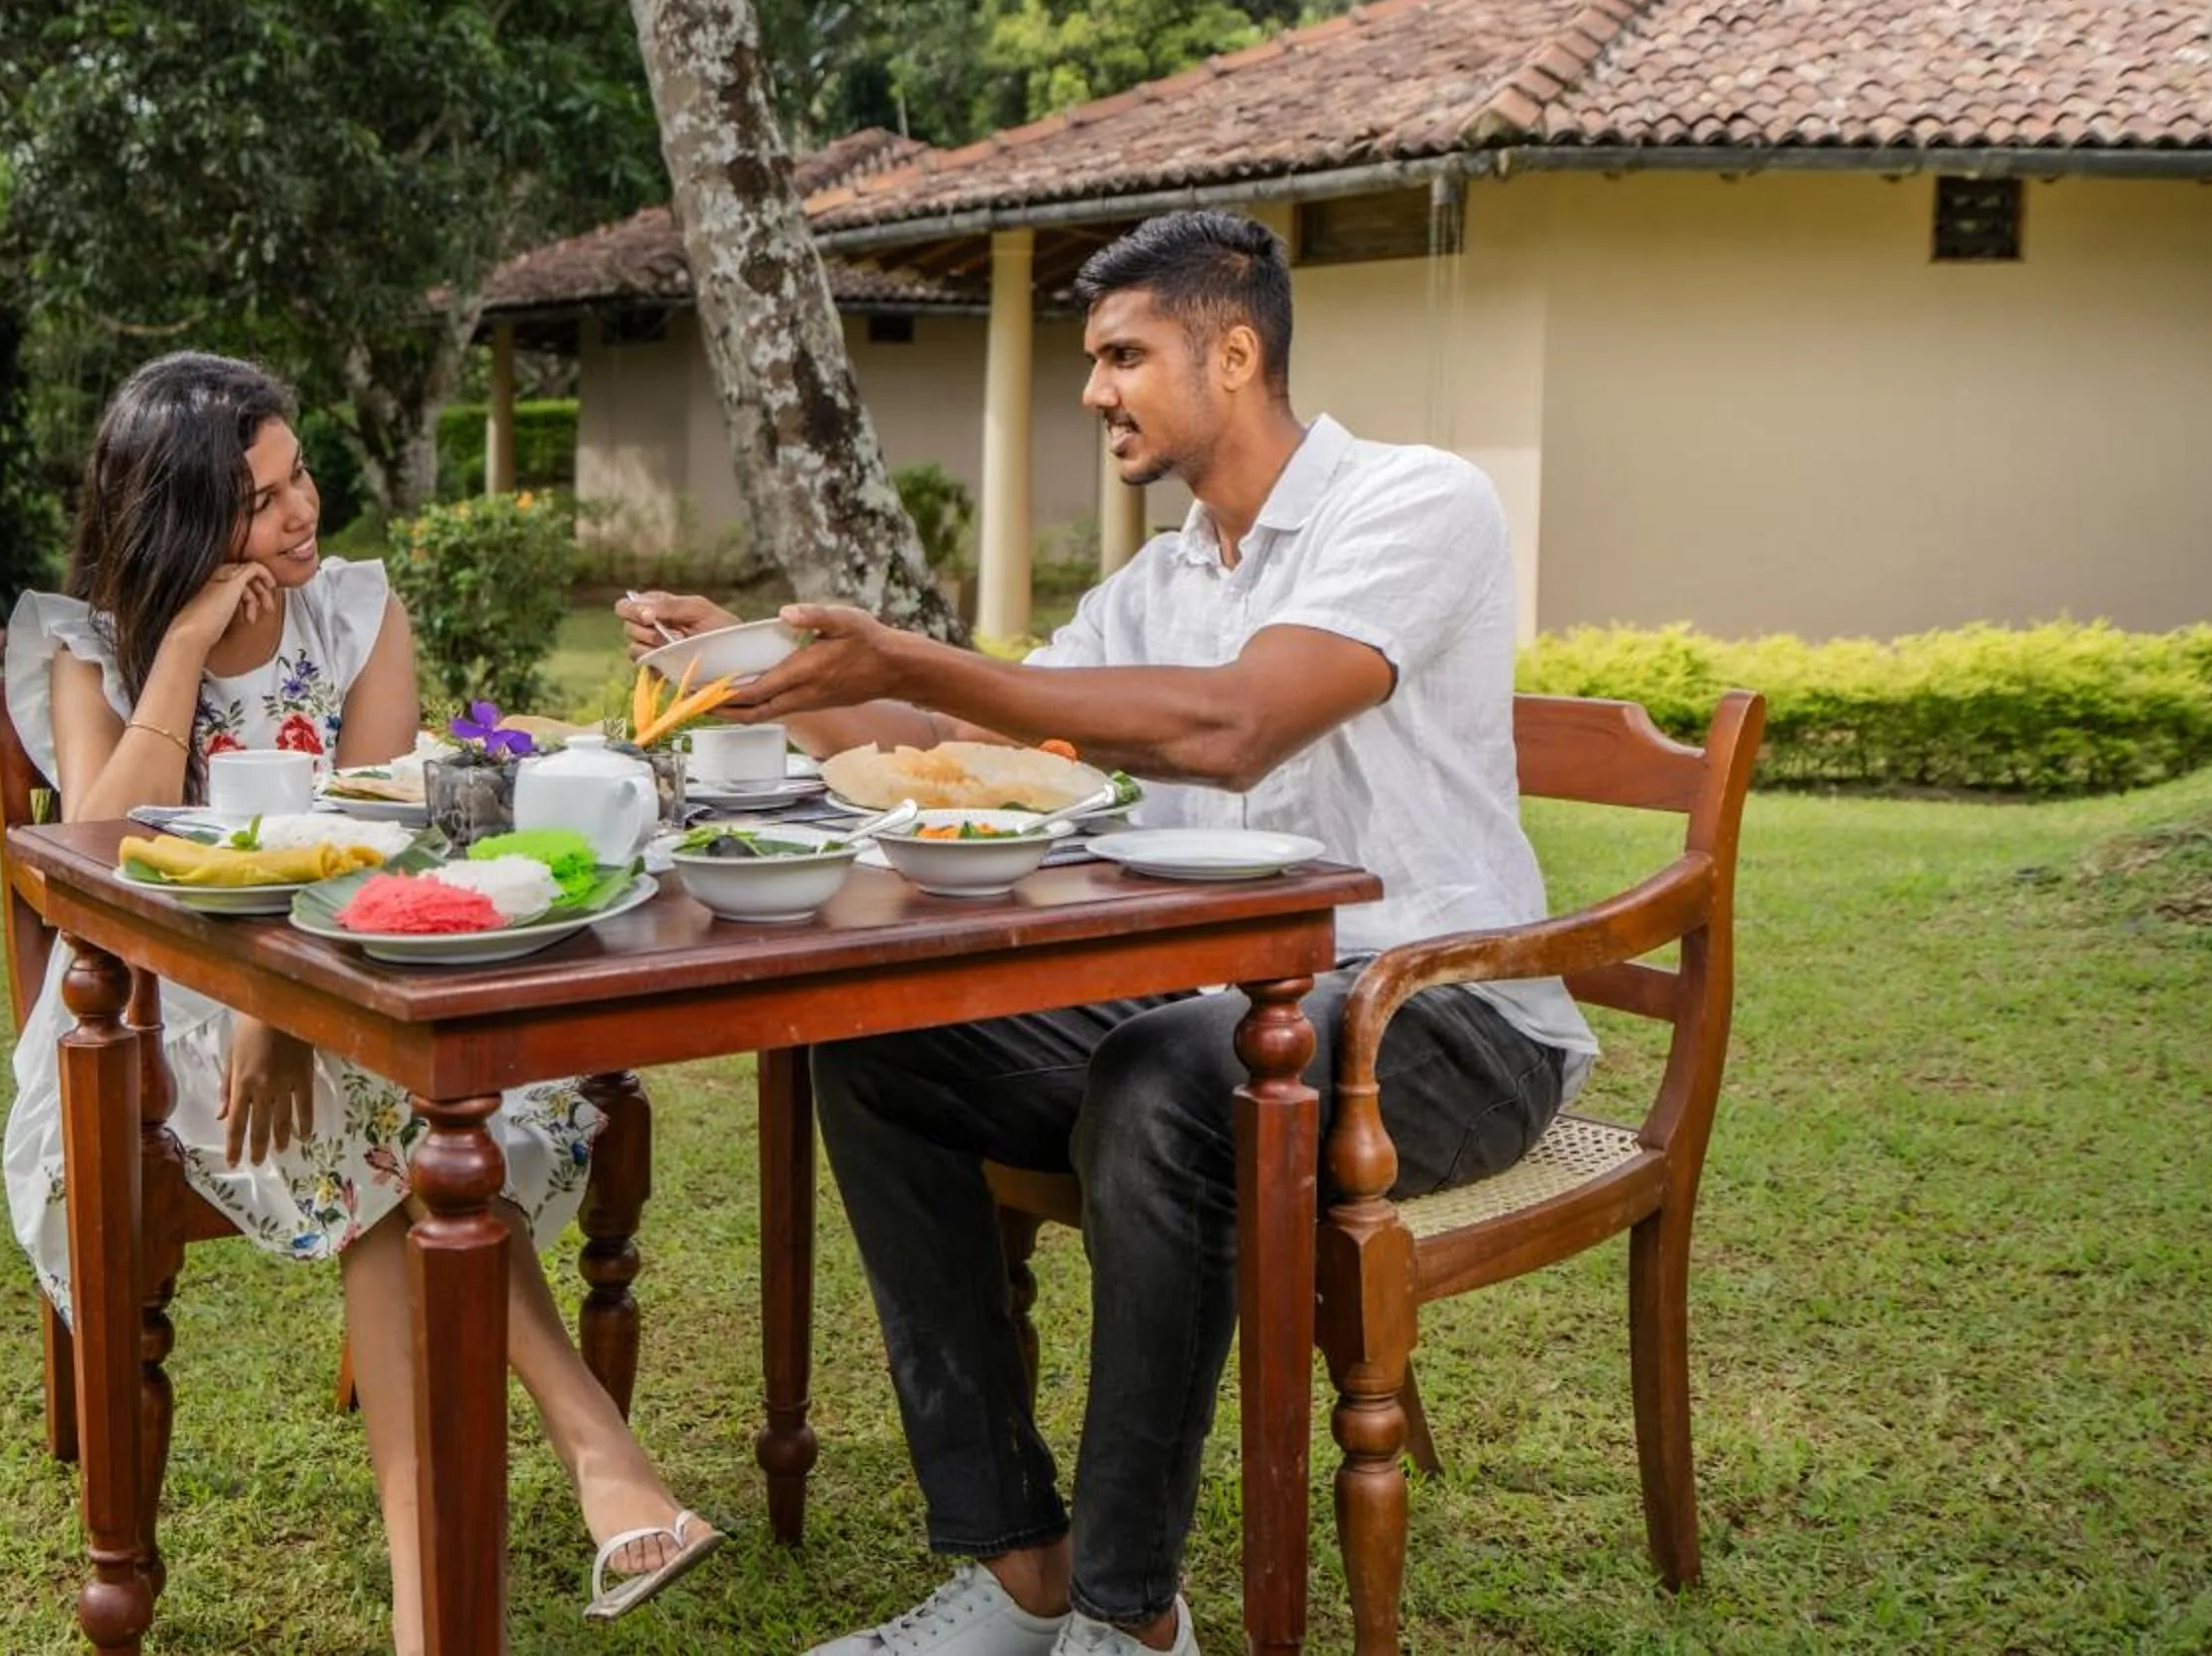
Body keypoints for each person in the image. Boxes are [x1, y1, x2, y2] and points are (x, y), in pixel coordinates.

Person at [616, 213, 1592, 1656]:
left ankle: (1129, 1621)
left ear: (1238, 349)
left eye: (1125, 353)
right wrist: (759, 665)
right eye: (1094, 358)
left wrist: (914, 651)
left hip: (1440, 1017)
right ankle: (1021, 1564)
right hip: (1223, 1012)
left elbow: (1237, 720)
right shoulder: (1165, 574)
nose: (1096, 389)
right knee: (876, 1041)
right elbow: (964, 728)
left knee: (1164, 1075)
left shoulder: (1414, 502)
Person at [2, 352, 715, 1653]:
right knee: (414, 1136)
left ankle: (432, 1606)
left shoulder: (353, 609)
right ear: (176, 518)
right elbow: (98, 870)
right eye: (260, 496)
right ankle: (594, 1457)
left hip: (343, 987)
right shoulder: (83, 637)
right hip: (153, 1020)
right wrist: (179, 650)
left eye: (299, 473)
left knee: (397, 1128)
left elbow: (380, 839)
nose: (301, 510)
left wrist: (292, 999)